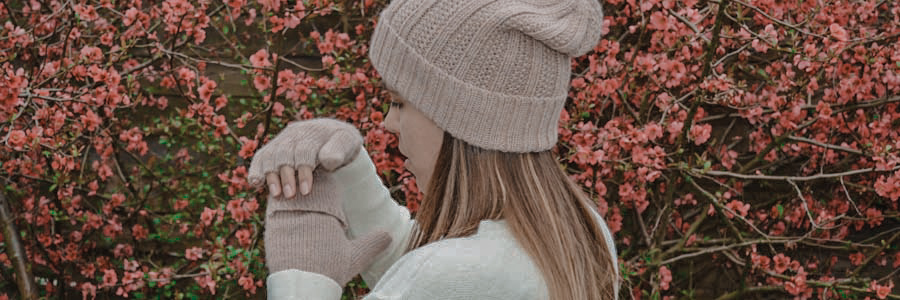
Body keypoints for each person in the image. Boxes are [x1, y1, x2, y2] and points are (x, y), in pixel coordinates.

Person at [247, 0, 619, 298]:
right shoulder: (581, 232)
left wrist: (301, 277)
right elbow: (431, 271)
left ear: (461, 118)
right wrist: (349, 170)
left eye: (399, 103)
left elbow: (439, 276)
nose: (387, 124)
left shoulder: (453, 273)